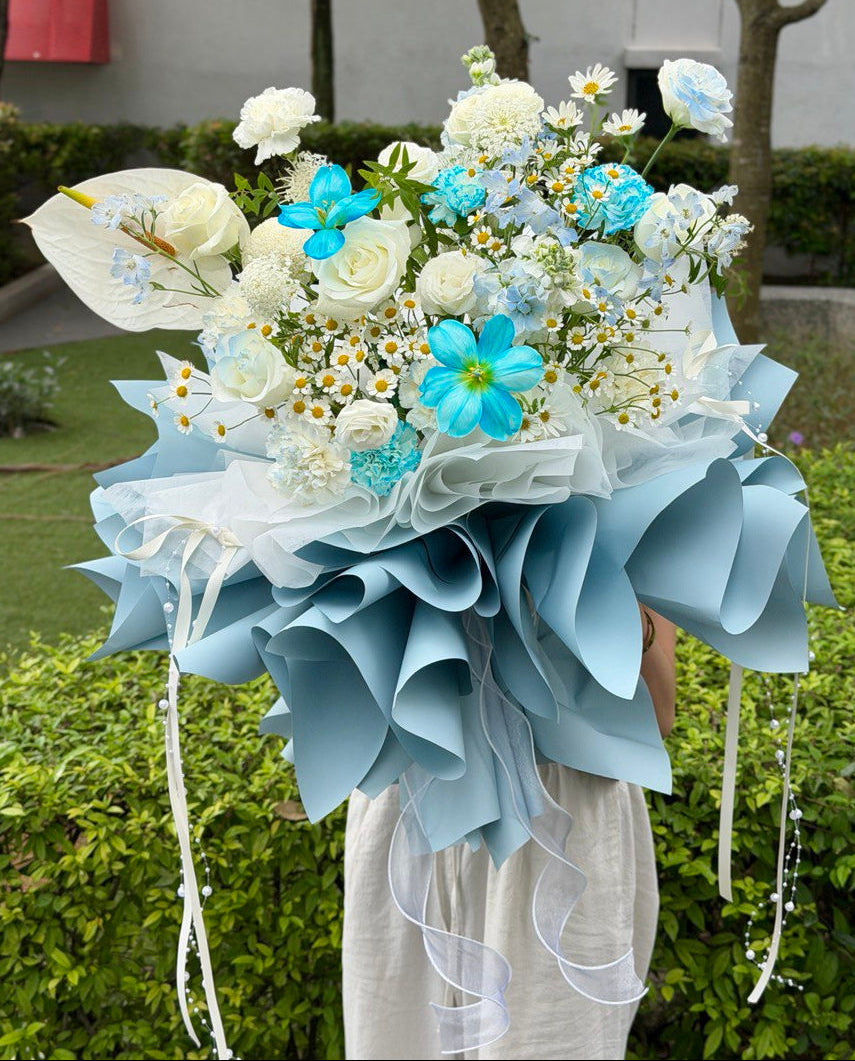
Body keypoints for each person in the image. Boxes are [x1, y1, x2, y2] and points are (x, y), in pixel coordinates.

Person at [342, 606, 676, 1061]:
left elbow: (657, 714)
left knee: (552, 1041)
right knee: (394, 1039)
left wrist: (615, 604)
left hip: (556, 821)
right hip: (409, 804)